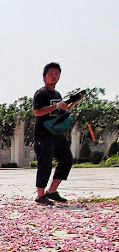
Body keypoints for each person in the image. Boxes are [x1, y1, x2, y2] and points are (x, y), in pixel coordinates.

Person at [33, 62, 84, 205]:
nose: (54, 76)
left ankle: (52, 191)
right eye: (51, 74)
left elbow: (63, 111)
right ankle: (40, 195)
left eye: (57, 74)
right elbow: (37, 112)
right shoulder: (41, 93)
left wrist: (74, 102)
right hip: (43, 134)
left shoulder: (57, 94)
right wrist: (56, 105)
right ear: (44, 77)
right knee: (45, 163)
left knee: (67, 158)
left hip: (56, 133)